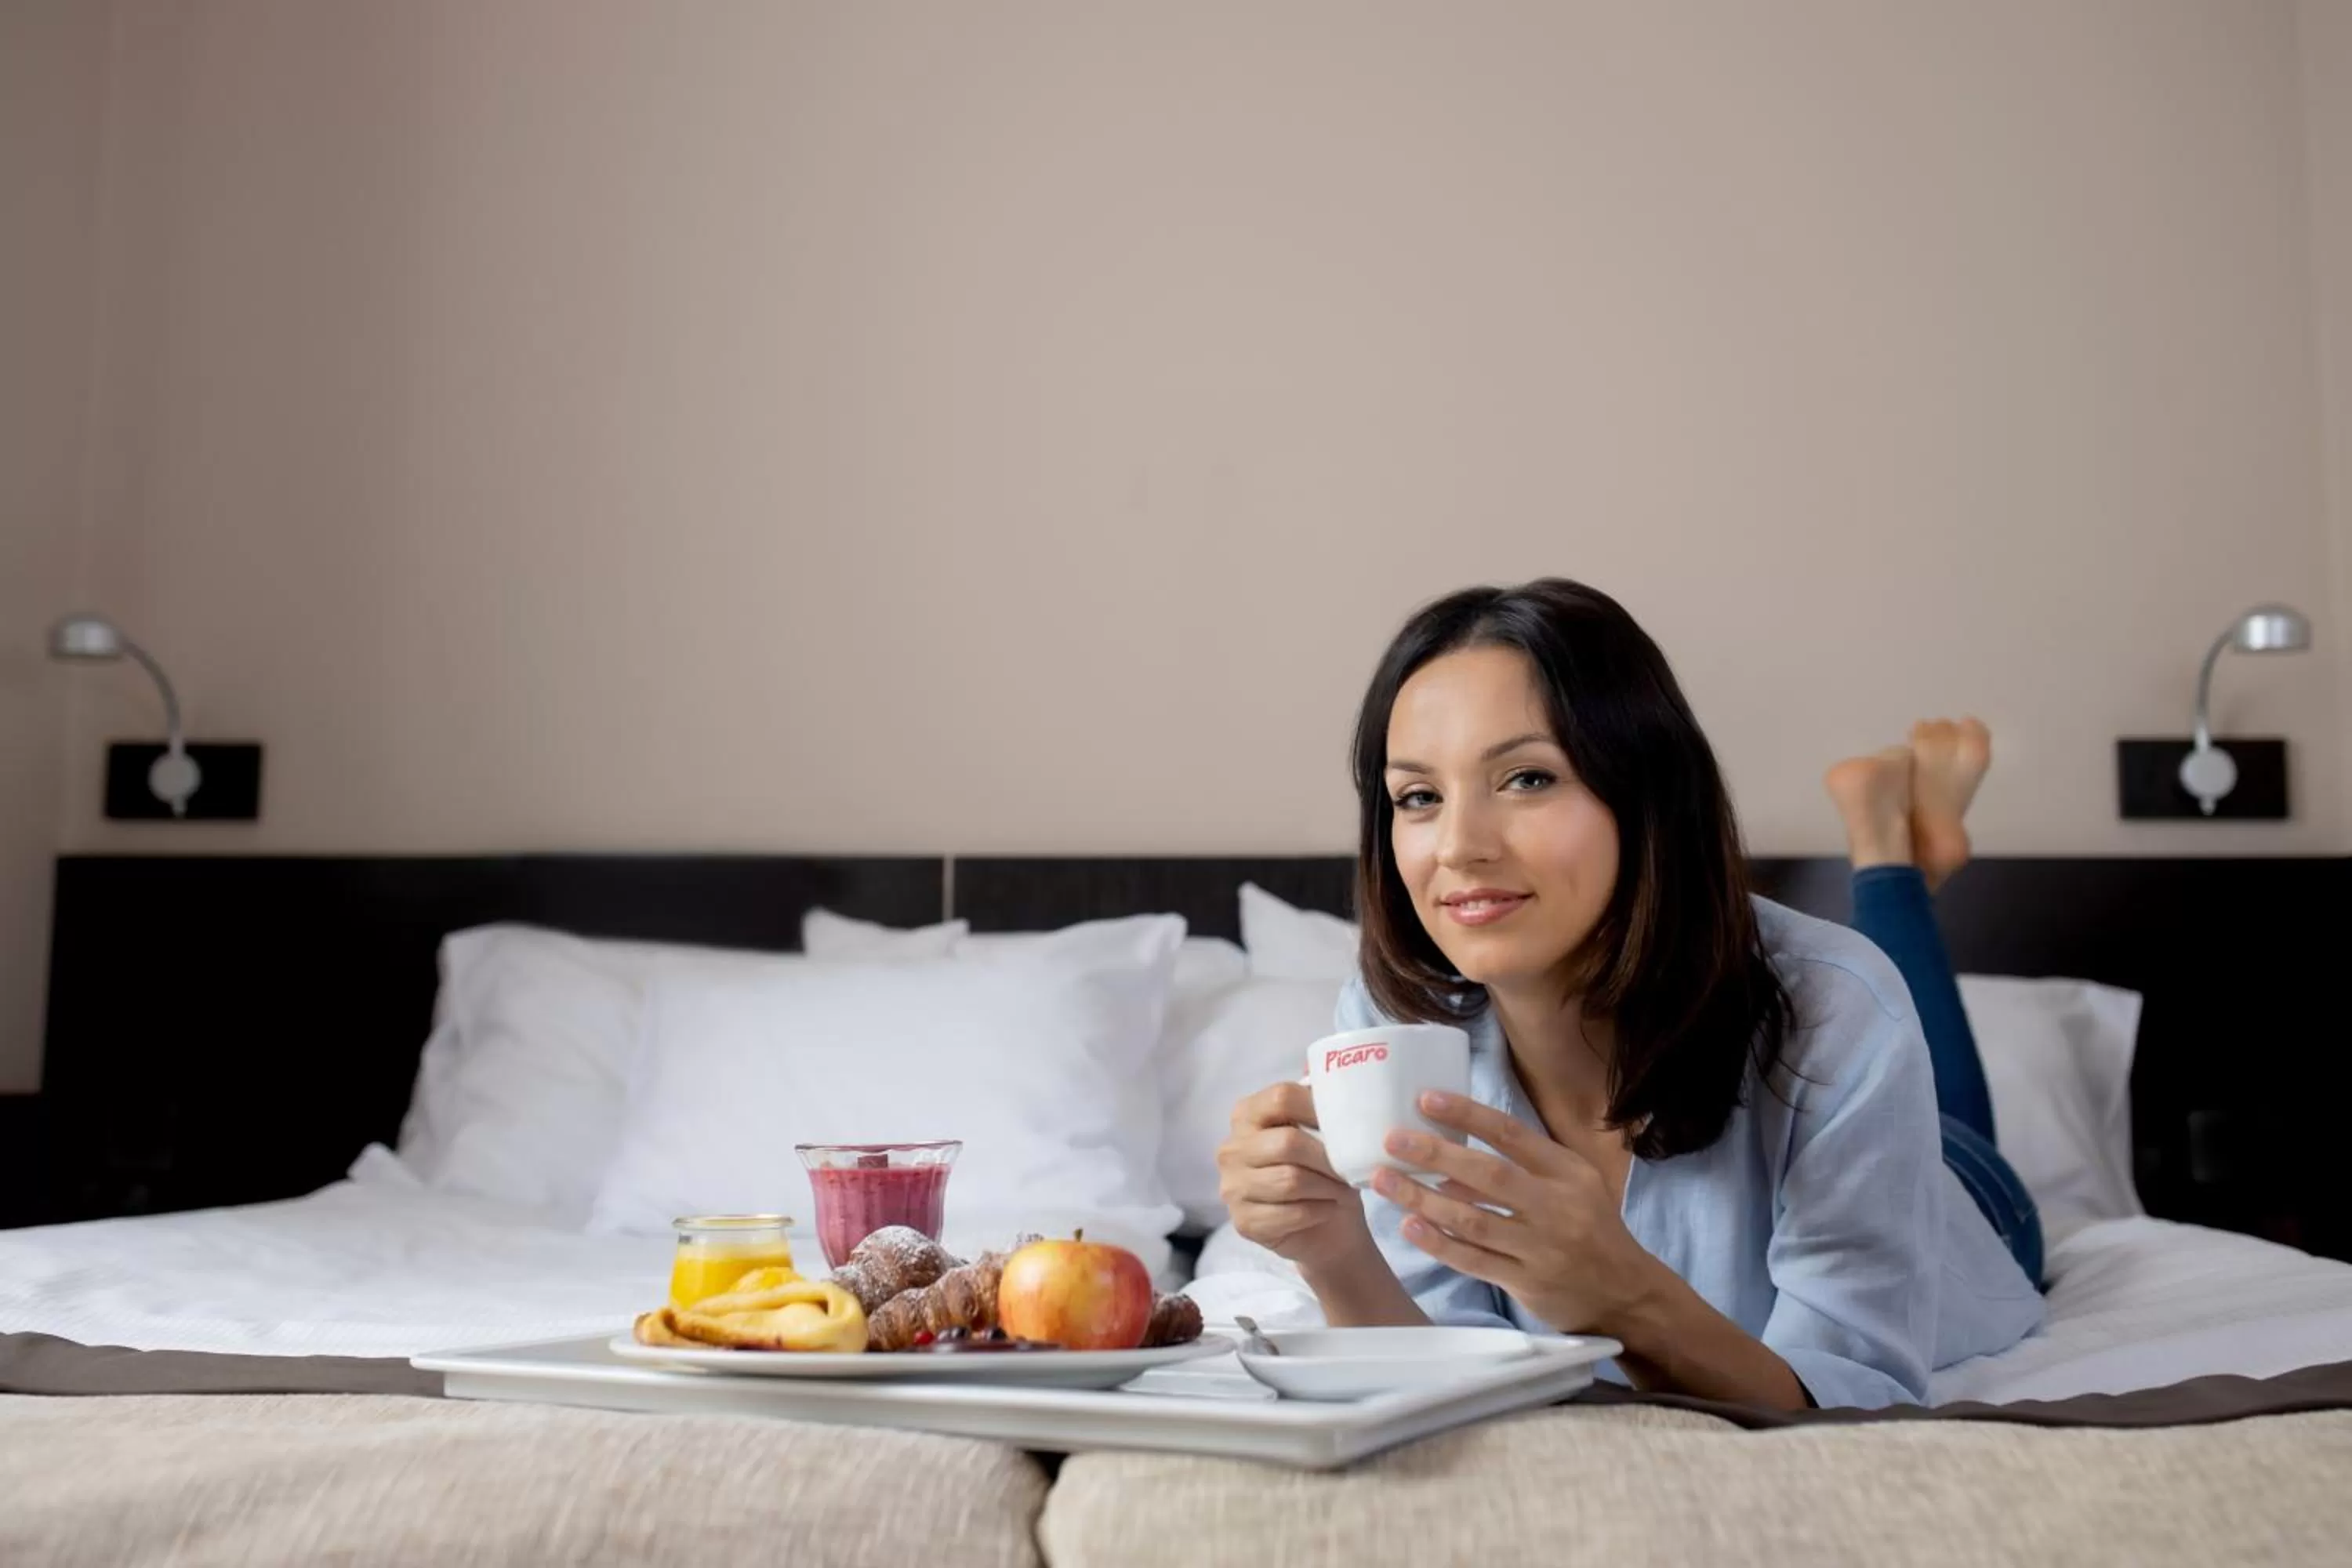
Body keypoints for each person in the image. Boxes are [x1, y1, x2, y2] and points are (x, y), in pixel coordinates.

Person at [1215, 579, 2042, 1410]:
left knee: (1922, 1068)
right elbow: (1443, 1367)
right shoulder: (1394, 1019)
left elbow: (1851, 1399)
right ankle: (1899, 846)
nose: (1460, 847)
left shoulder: (1837, 1003)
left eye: (1527, 778)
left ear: (1645, 793)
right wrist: (1334, 1254)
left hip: (1971, 1198)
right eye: (1419, 797)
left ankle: (1890, 859)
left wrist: (1624, 1297)